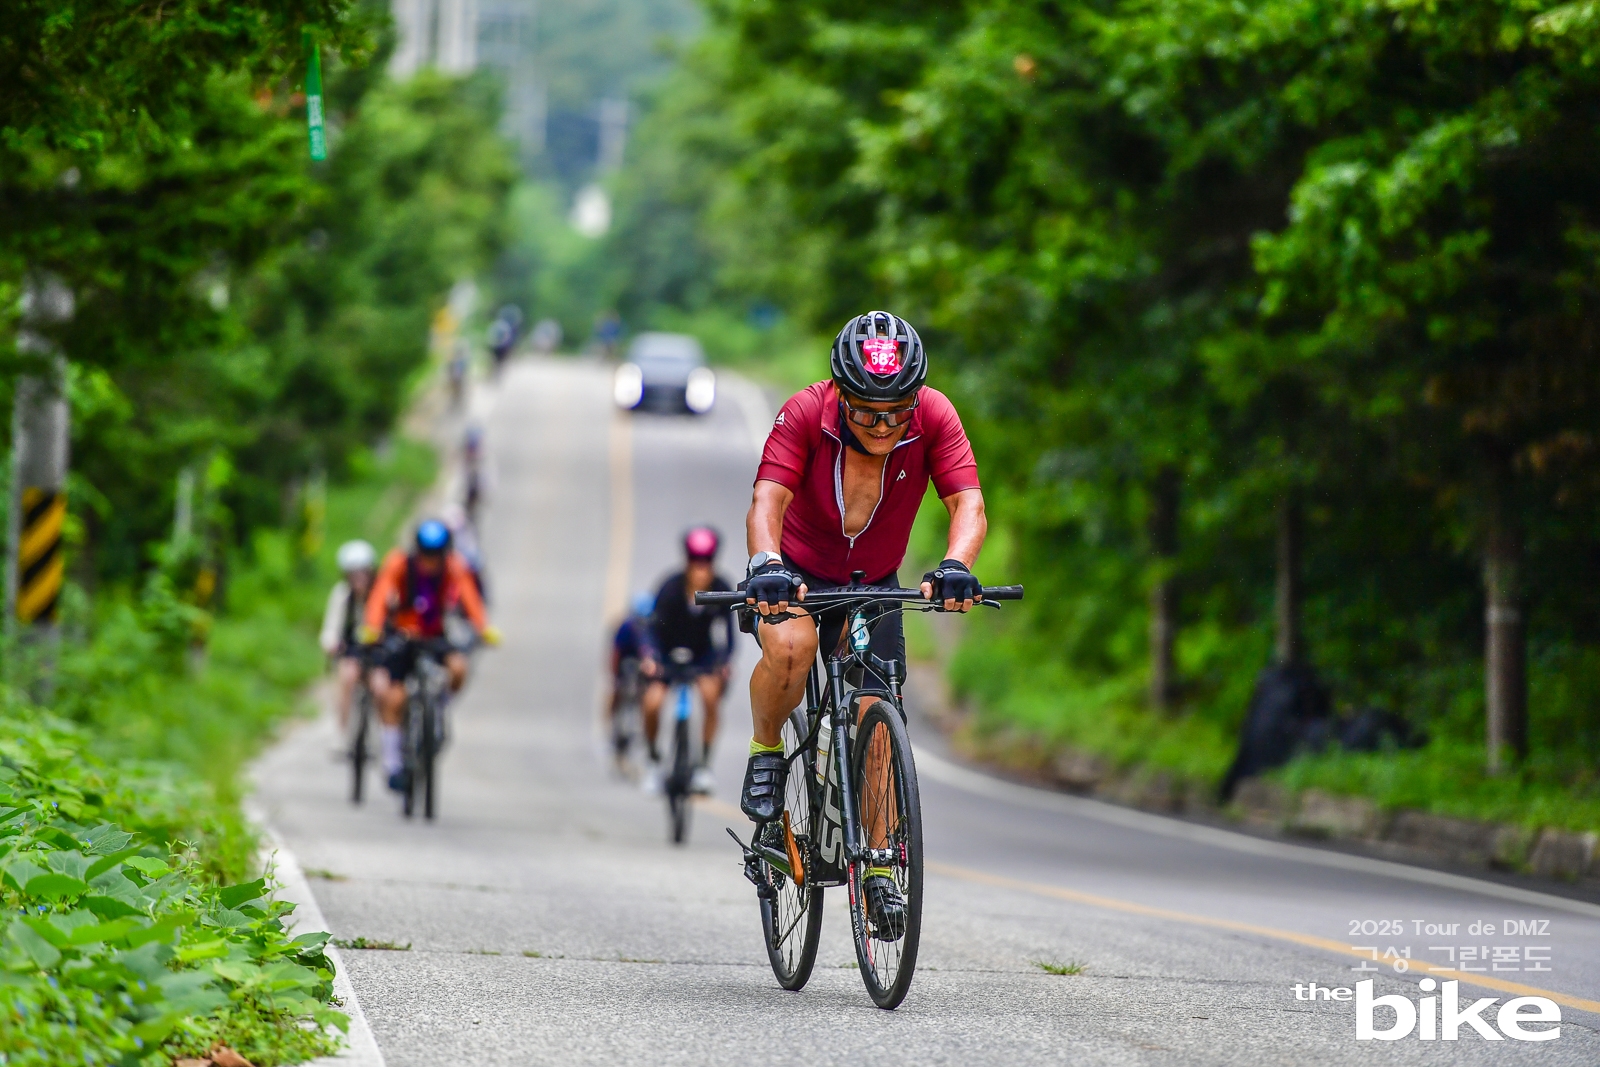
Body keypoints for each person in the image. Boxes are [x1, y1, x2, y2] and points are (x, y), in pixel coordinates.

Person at [739, 310, 987, 939]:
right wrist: (766, 564)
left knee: (878, 713)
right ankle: (767, 751)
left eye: (896, 411)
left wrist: (957, 564)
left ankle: (877, 866)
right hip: (795, 575)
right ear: (840, 394)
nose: (882, 424)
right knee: (791, 647)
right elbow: (768, 499)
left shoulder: (935, 415)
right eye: (866, 411)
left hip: (873, 580)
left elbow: (968, 502)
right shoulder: (804, 413)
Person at [362, 520, 501, 792]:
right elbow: (380, 595)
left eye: (436, 555)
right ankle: (393, 764)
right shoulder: (399, 563)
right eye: (426, 555)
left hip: (435, 635)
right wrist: (373, 626)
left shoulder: (453, 566)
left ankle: (438, 707)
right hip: (403, 636)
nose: (431, 562)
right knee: (394, 698)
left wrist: (483, 628)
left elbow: (469, 595)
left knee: (458, 668)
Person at [639, 527, 735, 795]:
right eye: (695, 562)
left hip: (702, 655)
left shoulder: (721, 588)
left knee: (711, 698)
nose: (701, 570)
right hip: (666, 654)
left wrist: (725, 661)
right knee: (652, 703)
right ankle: (653, 761)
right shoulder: (670, 587)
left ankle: (703, 765)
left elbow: (728, 633)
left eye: (707, 563)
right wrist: (650, 656)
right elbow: (650, 628)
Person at [320, 540, 377, 732]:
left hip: (378, 648)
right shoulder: (341, 594)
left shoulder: (380, 592)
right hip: (352, 647)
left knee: (381, 685)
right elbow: (331, 625)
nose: (359, 578)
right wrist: (331, 642)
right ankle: (344, 730)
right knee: (347, 677)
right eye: (354, 574)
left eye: (363, 572)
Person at [607, 591, 656, 769]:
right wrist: (615, 677)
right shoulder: (626, 628)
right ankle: (611, 718)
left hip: (643, 663)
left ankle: (643, 724)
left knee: (647, 694)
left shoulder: (652, 627)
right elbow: (616, 653)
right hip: (626, 660)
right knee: (616, 691)